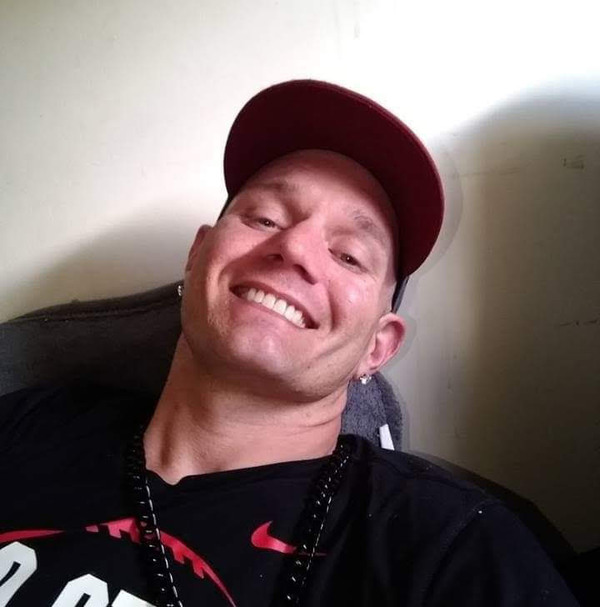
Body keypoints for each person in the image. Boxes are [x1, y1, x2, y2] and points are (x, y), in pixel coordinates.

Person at [0, 81, 578, 606]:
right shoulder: (26, 427)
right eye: (265, 219)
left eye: (349, 255)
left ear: (378, 348)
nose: (296, 248)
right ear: (197, 256)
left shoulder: (448, 544)